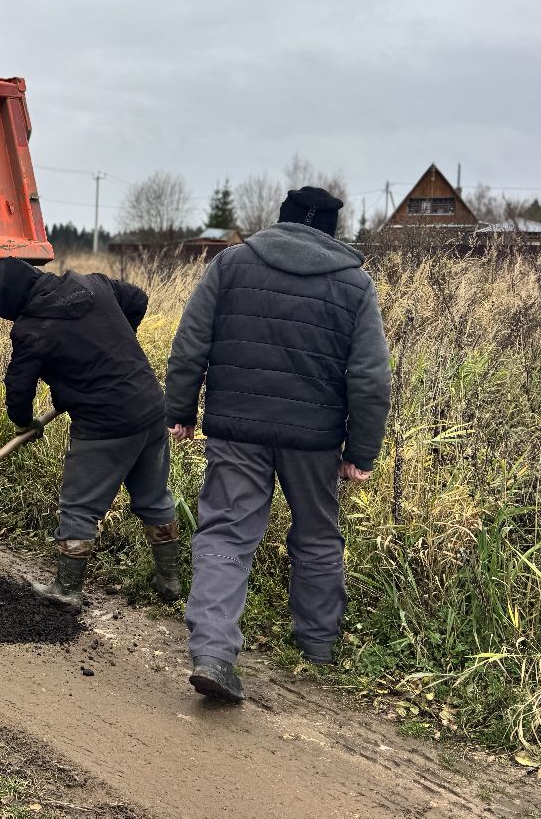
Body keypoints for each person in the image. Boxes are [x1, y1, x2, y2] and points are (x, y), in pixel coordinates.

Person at [165, 186, 390, 702]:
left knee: (225, 535)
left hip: (237, 428)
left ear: (281, 219)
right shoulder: (354, 284)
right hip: (314, 438)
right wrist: (362, 451)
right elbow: (371, 378)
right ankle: (317, 648)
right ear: (331, 229)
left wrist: (179, 410)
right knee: (316, 537)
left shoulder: (231, 264)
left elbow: (191, 341)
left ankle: (215, 654)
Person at [0, 258, 180, 610]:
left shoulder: (32, 329)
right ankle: (169, 580)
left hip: (105, 424)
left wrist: (25, 421)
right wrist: (115, 346)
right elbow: (138, 298)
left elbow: (18, 386)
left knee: (79, 505)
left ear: (13, 302)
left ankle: (67, 589)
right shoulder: (94, 284)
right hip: (150, 407)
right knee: (154, 497)